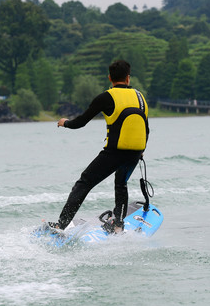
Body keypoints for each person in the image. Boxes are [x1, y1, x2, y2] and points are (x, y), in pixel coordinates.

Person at [51, 60, 149, 233]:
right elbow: (145, 128)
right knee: (121, 184)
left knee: (83, 183)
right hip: (136, 152)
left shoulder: (106, 97)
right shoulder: (140, 97)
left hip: (114, 152)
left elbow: (80, 122)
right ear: (128, 78)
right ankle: (118, 225)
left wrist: (65, 122)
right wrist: (140, 151)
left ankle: (61, 225)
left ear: (110, 78)